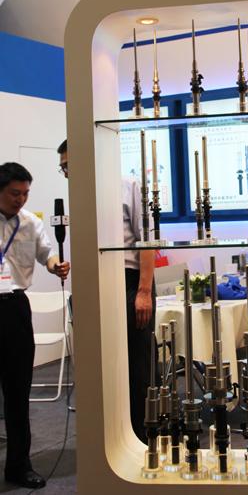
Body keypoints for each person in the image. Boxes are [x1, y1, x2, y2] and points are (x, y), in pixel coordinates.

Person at [57, 140, 156, 442]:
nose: (68, 173)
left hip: (129, 281)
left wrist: (144, 291)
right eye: (63, 169)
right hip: (93, 283)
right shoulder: (79, 195)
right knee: (100, 366)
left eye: (70, 166)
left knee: (136, 366)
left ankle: (140, 437)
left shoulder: (128, 185)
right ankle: (107, 439)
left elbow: (148, 239)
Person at [0, 162, 70, 489]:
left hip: (15, 308)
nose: (21, 200)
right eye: (15, 193)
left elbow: (47, 254)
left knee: (18, 391)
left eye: (25, 193)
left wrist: (57, 266)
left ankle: (19, 466)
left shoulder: (30, 223)